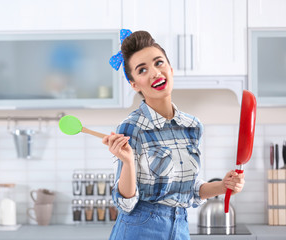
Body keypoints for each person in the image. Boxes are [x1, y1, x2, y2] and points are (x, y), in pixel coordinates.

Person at [102, 29, 245, 240]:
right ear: (134, 85)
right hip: (139, 228)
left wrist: (224, 186)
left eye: (158, 63)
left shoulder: (192, 126)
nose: (154, 73)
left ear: (170, 68)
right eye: (142, 70)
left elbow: (189, 189)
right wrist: (129, 163)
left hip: (179, 227)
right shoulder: (132, 127)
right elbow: (125, 203)